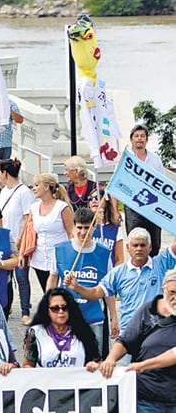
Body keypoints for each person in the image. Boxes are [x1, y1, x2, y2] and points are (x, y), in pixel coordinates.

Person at [99, 269, 176, 413]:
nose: (175, 299)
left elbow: (174, 355)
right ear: (163, 290)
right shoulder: (147, 310)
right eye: (172, 293)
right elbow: (125, 340)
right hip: (148, 397)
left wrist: (143, 365)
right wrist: (110, 359)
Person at [66, 227, 176, 338]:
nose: (139, 249)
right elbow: (96, 292)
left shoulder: (161, 263)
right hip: (129, 334)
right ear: (128, 247)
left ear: (150, 247)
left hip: (156, 333)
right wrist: (77, 287)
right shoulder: (118, 273)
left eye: (142, 245)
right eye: (135, 245)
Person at [47, 207, 116, 352]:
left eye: (87, 228)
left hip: (93, 315)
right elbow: (52, 279)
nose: (83, 232)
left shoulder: (104, 253)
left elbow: (108, 290)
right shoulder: (60, 250)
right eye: (79, 228)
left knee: (93, 359)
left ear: (94, 227)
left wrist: (114, 317)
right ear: (73, 227)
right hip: (65, 315)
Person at [0, 157, 35, 324]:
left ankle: (25, 311)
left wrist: (20, 240)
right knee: (6, 276)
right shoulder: (3, 192)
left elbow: (28, 218)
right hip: (5, 239)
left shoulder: (24, 192)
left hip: (20, 240)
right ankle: (7, 305)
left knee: (21, 276)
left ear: (5, 173)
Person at [23, 288, 101, 369]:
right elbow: (27, 364)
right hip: (46, 381)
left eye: (65, 308)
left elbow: (98, 361)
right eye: (55, 308)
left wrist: (95, 365)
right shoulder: (36, 333)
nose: (61, 312)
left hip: (76, 381)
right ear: (47, 311)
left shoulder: (82, 331)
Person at [27, 172, 74, 292]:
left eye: (37, 185)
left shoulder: (62, 207)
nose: (34, 188)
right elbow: (29, 232)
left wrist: (73, 255)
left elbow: (71, 233)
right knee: (47, 293)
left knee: (60, 292)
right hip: (40, 258)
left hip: (59, 257)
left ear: (47, 187)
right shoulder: (34, 208)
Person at [123, 124, 165, 256]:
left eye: (142, 136)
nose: (139, 139)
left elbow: (162, 184)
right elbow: (117, 183)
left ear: (146, 140)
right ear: (131, 140)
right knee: (136, 241)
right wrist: (114, 209)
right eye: (136, 136)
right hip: (133, 206)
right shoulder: (126, 159)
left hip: (153, 206)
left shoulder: (155, 159)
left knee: (155, 242)